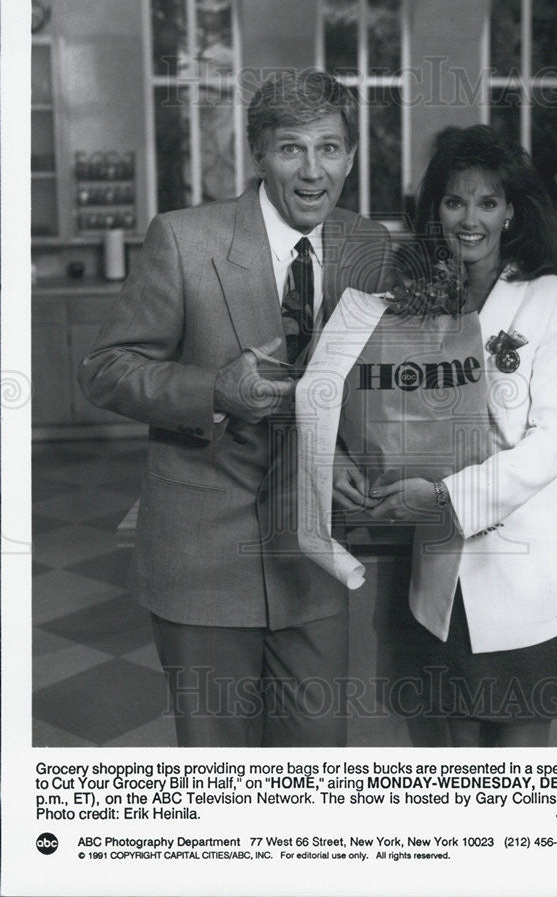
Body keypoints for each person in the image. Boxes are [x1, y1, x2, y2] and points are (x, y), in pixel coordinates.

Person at [78, 69, 391, 747]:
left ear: (352, 156)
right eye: (291, 149)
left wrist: (348, 450)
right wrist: (213, 392)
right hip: (203, 555)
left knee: (313, 770)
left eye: (330, 148)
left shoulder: (367, 245)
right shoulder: (183, 239)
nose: (313, 171)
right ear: (258, 154)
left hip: (314, 560)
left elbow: (368, 384)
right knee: (219, 778)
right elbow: (104, 370)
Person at [367, 125, 557, 747]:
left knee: (517, 776)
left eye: (488, 202)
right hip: (444, 570)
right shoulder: (407, 304)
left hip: (526, 571)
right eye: (454, 201)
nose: (471, 219)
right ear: (433, 208)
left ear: (512, 210)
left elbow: (554, 443)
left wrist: (444, 500)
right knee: (459, 763)